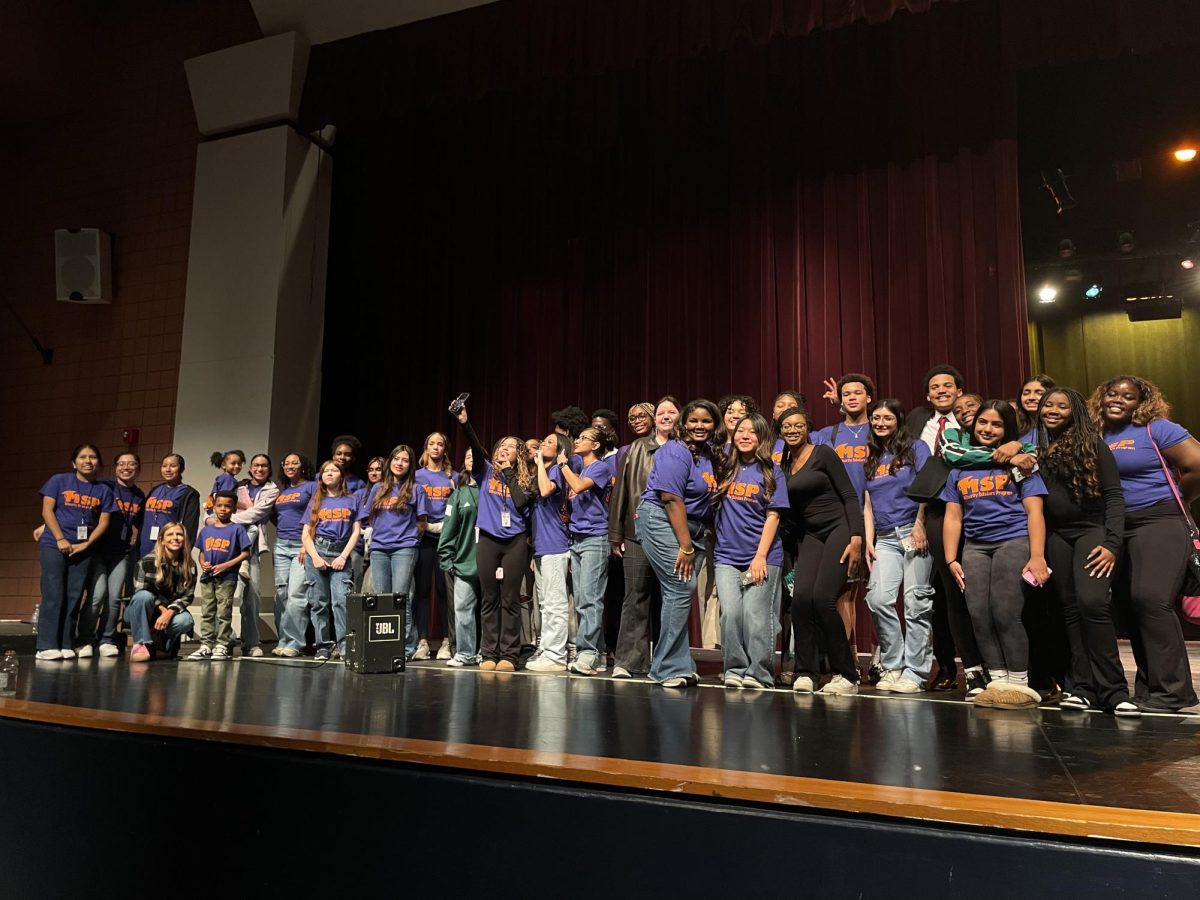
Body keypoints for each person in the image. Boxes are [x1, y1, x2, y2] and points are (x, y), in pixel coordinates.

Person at [1090, 375, 1200, 711]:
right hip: (1116, 526)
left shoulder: (1157, 429)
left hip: (1159, 520)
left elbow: (1197, 465)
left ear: (1141, 402)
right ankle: (1148, 689)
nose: (1119, 399)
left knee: (1151, 600)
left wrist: (1176, 499)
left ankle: (1174, 691)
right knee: (1130, 606)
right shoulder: (1096, 435)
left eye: (1129, 396)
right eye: (1112, 393)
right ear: (1101, 398)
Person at [941, 401, 1049, 709]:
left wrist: (1037, 555)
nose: (988, 429)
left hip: (1012, 541)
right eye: (982, 423)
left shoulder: (1021, 462)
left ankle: (1019, 684)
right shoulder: (960, 468)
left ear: (1008, 429)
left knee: (1004, 611)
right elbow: (953, 516)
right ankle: (997, 681)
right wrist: (951, 558)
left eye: (997, 424)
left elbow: (1035, 512)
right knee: (978, 612)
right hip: (975, 546)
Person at [1036, 388, 1138, 716]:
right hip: (1057, 536)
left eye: (1061, 406)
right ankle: (1081, 688)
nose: (1053, 410)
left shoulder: (1092, 444)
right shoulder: (1036, 448)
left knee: (1093, 603)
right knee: (1069, 609)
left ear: (1074, 411)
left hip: (1091, 530)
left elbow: (1114, 497)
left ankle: (1114, 691)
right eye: (1048, 405)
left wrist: (1111, 543)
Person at [778, 407, 864, 694]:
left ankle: (846, 675)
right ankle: (806, 672)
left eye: (798, 425)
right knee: (801, 599)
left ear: (807, 428)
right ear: (780, 431)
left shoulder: (823, 453)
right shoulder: (784, 465)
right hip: (811, 535)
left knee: (823, 599)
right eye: (787, 426)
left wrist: (857, 538)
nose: (792, 430)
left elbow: (850, 496)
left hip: (839, 529)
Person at [637, 399, 721, 688]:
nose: (700, 426)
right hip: (661, 519)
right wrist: (685, 546)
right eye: (694, 420)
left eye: (706, 421)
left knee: (679, 592)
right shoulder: (675, 450)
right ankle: (668, 667)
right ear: (683, 423)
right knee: (680, 586)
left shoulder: (710, 455)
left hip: (693, 528)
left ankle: (674, 663)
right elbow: (671, 498)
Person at [454, 402, 537, 671]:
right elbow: (476, 448)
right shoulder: (485, 470)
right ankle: (489, 653)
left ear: (519, 453)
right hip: (488, 539)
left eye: (511, 446)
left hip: (515, 542)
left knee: (510, 599)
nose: (504, 448)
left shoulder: (526, 478)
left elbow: (523, 503)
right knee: (489, 597)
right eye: (502, 445)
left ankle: (509, 655)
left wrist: (510, 472)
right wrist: (465, 422)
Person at [861, 400, 933, 693]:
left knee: (916, 602)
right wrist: (869, 539)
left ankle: (915, 672)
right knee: (877, 599)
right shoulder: (873, 455)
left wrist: (920, 523)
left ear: (899, 420)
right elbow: (866, 501)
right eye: (876, 418)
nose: (880, 422)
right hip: (885, 537)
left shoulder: (916, 448)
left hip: (913, 531)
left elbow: (928, 487)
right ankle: (893, 665)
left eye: (886, 417)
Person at [713, 412, 788, 689]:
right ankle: (734, 668)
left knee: (757, 616)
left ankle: (759, 673)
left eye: (752, 432)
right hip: (726, 557)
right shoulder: (723, 467)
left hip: (762, 556)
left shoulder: (771, 470)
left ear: (762, 438)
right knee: (731, 614)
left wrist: (760, 557)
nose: (745, 435)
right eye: (740, 430)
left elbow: (774, 516)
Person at [609, 396, 679, 678]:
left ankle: (668, 663)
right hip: (637, 533)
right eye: (661, 412)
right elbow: (621, 493)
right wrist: (616, 533)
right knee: (635, 596)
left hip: (674, 535)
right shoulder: (636, 448)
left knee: (671, 599)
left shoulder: (685, 449)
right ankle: (628, 662)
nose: (665, 416)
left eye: (671, 412)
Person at [814, 373, 876, 670]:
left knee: (875, 595)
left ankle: (878, 658)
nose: (852, 397)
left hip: (875, 517)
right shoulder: (830, 434)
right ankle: (846, 660)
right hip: (839, 518)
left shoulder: (878, 430)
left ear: (869, 398)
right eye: (846, 393)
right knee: (842, 595)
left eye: (857, 393)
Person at [36, 444, 117, 660]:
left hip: (82, 549)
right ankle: (45, 645)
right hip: (54, 545)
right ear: (74, 462)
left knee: (74, 596)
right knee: (54, 594)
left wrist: (86, 544)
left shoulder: (104, 490)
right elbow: (47, 510)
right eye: (83, 457)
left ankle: (65, 643)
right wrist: (60, 538)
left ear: (98, 463)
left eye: (92, 457)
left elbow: (103, 521)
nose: (88, 461)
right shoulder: (59, 481)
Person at [562, 424, 617, 675]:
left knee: (590, 599)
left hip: (596, 538)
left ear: (595, 445)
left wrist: (563, 464)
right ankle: (599, 653)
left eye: (584, 438)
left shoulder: (600, 467)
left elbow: (580, 486)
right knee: (583, 599)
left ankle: (588, 653)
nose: (578, 441)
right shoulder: (580, 467)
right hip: (578, 538)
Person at [364, 444, 427, 659]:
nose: (400, 463)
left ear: (410, 465)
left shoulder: (416, 489)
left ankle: (407, 647)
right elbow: (371, 518)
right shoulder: (377, 488)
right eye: (396, 459)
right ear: (390, 462)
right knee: (383, 598)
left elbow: (421, 523)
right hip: (379, 549)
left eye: (405, 460)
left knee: (401, 598)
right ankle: (386, 644)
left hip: (404, 549)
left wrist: (407, 540)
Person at [80, 451, 144, 658]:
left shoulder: (139, 495)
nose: (126, 467)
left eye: (131, 464)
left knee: (115, 597)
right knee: (97, 595)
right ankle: (85, 639)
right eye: (121, 463)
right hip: (98, 550)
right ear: (115, 467)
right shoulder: (104, 487)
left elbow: (140, 522)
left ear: (138, 469)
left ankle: (106, 638)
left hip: (121, 553)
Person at [300, 460, 362, 660]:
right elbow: (306, 535)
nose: (329, 473)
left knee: (341, 602)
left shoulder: (352, 500)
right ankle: (323, 647)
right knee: (319, 603)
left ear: (341, 476)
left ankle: (344, 648)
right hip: (318, 551)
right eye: (325, 471)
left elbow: (356, 531)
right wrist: (316, 557)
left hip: (340, 553)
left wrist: (343, 556)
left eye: (334, 470)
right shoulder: (316, 501)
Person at [186, 491, 252, 661]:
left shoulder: (236, 529)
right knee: (207, 611)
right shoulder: (207, 530)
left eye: (227, 506)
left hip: (227, 578)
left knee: (224, 611)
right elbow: (202, 552)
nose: (223, 509)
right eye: (219, 506)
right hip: (208, 577)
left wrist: (226, 565)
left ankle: (222, 644)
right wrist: (202, 563)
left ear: (233, 509)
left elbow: (245, 553)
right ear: (214, 507)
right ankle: (206, 644)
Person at [527, 433, 573, 672]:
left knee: (555, 604)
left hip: (555, 546)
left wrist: (538, 464)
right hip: (541, 547)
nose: (543, 443)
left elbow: (545, 491)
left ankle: (556, 656)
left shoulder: (555, 470)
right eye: (542, 441)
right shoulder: (542, 471)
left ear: (560, 450)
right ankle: (546, 649)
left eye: (549, 442)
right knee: (544, 604)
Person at [226, 454, 278, 658]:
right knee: (224, 594)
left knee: (252, 596)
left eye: (264, 465)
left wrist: (228, 519)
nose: (259, 468)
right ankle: (226, 639)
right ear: (250, 468)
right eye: (256, 465)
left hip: (252, 548)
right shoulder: (238, 486)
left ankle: (251, 642)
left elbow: (257, 513)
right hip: (229, 545)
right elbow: (216, 504)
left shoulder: (272, 490)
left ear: (270, 469)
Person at [125, 522, 197, 662]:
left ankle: (161, 644)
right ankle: (141, 644)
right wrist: (163, 610)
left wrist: (169, 613)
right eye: (170, 534)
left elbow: (187, 596)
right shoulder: (148, 561)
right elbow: (140, 590)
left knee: (186, 620)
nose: (175, 538)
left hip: (169, 612)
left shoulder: (190, 566)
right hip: (144, 610)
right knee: (143, 596)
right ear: (162, 540)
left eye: (179, 534)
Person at [414, 433, 456, 661]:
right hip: (423, 538)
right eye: (432, 444)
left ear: (445, 449)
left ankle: (447, 641)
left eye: (440, 444)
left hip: (445, 537)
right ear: (426, 447)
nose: (436, 447)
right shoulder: (417, 476)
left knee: (443, 589)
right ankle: (421, 641)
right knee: (422, 590)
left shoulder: (452, 476)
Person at [438, 452, 481, 667]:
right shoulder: (458, 494)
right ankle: (465, 652)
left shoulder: (493, 491)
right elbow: (448, 530)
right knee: (462, 609)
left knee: (488, 611)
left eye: (477, 455)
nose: (472, 459)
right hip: (464, 562)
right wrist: (447, 560)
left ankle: (486, 652)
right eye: (468, 456)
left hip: (489, 561)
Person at [271, 452, 314, 657]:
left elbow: (316, 516)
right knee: (282, 595)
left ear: (302, 466)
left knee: (297, 595)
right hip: (281, 545)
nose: (290, 466)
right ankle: (283, 639)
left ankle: (295, 642)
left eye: (294, 463)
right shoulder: (284, 490)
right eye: (286, 463)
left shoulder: (311, 487)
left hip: (300, 545)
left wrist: (307, 544)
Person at [139, 454, 201, 557]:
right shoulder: (155, 490)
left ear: (181, 468)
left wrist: (181, 555)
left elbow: (190, 528)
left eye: (173, 466)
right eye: (164, 466)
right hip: (145, 550)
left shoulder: (189, 493)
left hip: (169, 553)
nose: (168, 469)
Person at [1016, 374, 1056, 440]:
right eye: (1026, 393)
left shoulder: (1059, 427)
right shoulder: (1013, 425)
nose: (1031, 397)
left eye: (1039, 393)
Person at [205, 449, 244, 516]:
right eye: (233, 463)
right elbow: (225, 498)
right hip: (220, 512)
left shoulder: (222, 477)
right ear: (223, 465)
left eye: (239, 463)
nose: (237, 466)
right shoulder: (228, 479)